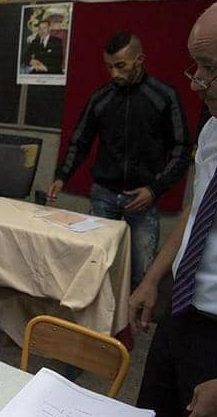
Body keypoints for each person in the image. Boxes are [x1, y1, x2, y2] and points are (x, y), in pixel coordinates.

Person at [48, 31, 192, 289]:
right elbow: (79, 141)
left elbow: (182, 149)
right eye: (109, 67)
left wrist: (154, 189)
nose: (114, 73)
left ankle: (132, 317)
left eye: (121, 66)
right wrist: (62, 176)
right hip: (103, 195)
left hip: (143, 199)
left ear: (140, 60)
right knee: (95, 268)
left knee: (141, 275)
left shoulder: (164, 96)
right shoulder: (100, 98)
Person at [130, 4, 217, 417]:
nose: (197, 83)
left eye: (210, 68)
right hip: (181, 313)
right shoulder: (212, 129)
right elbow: (197, 211)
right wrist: (153, 278)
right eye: (195, 65)